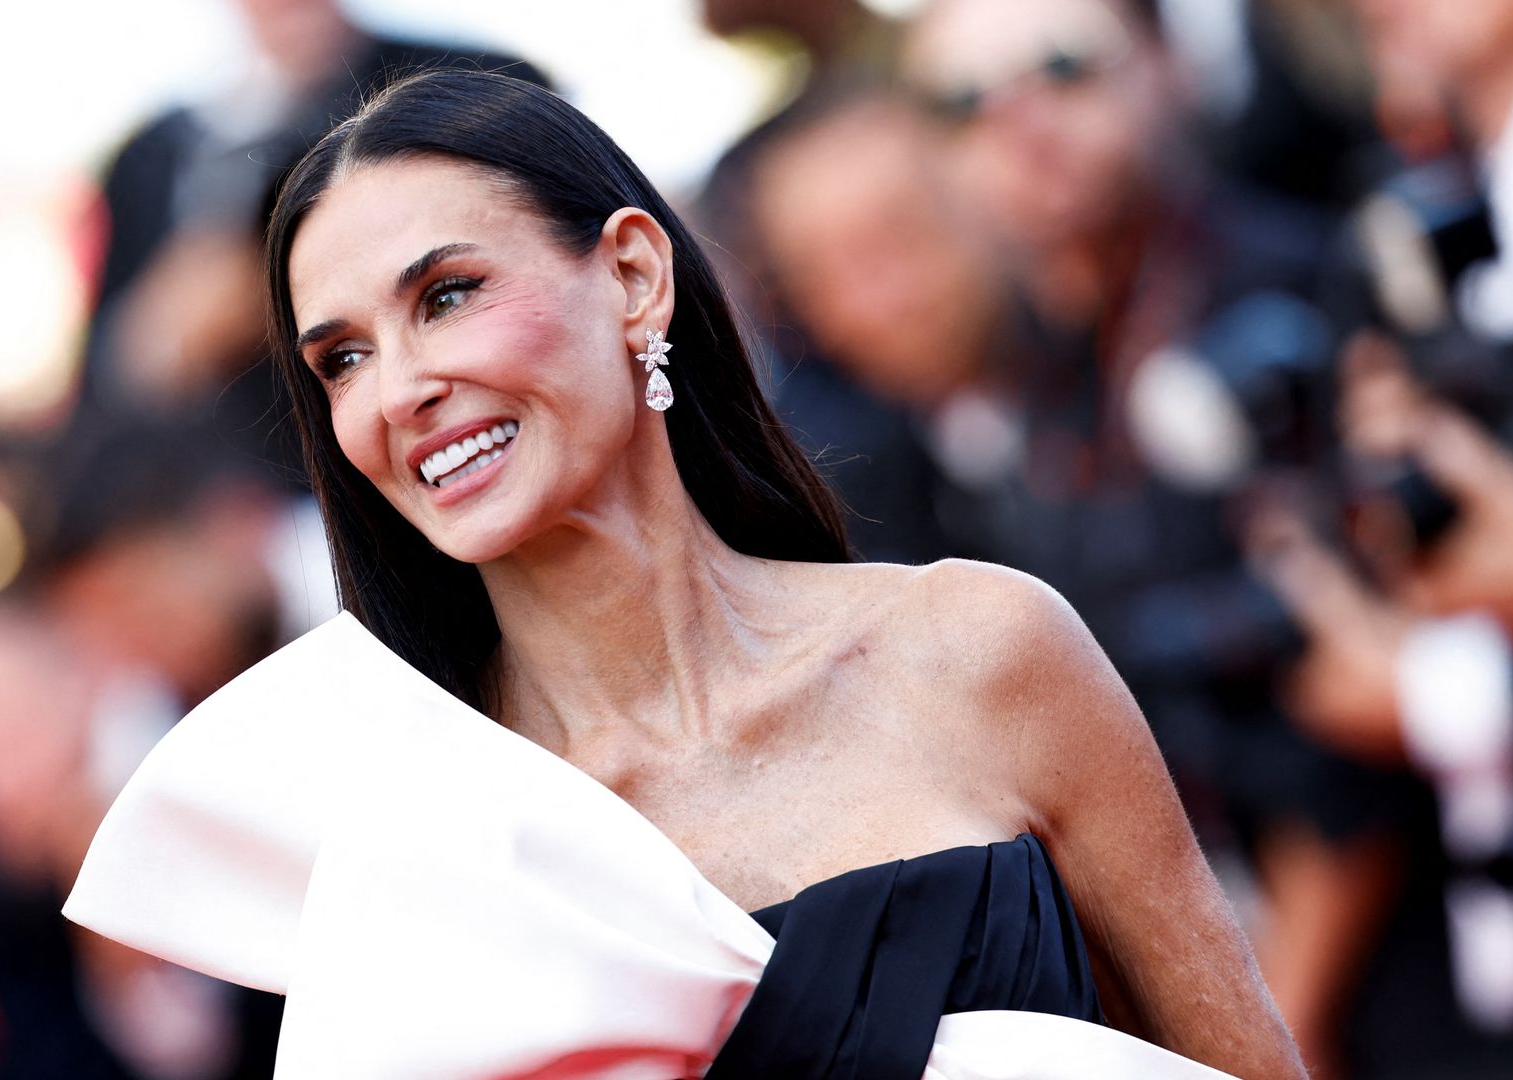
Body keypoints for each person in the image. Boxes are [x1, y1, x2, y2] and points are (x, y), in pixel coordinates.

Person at [66, 69, 1305, 1078]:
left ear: (633, 276)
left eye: (447, 296)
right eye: (340, 361)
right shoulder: (412, 841)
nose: (399, 390)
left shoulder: (980, 651)